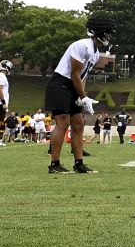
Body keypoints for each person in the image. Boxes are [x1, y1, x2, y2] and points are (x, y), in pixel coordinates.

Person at [45, 16, 114, 174]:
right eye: (107, 33)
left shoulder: (96, 52)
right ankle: (54, 164)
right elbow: (75, 73)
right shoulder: (82, 45)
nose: (109, 36)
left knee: (78, 124)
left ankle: (79, 163)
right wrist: (82, 96)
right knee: (62, 123)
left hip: (72, 85)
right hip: (60, 83)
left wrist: (82, 97)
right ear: (99, 31)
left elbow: (82, 77)